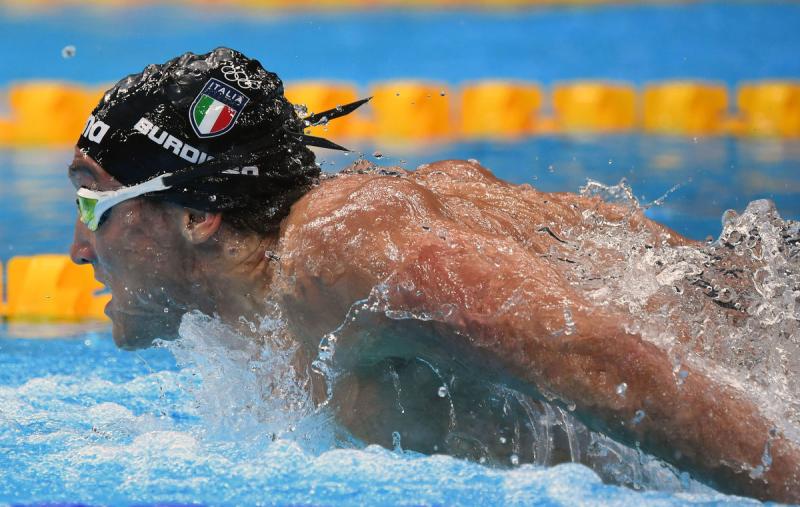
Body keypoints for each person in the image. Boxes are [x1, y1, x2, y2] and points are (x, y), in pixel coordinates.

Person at [68, 47, 799, 502]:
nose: (76, 246)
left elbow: (604, 358)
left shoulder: (339, 252)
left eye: (91, 199)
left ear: (199, 213)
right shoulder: (268, 320)